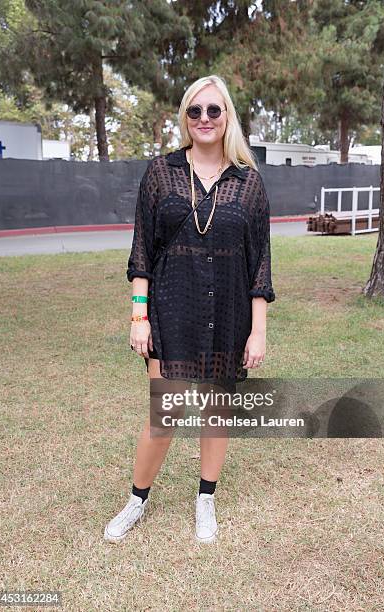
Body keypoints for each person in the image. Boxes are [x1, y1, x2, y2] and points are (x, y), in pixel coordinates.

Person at [104, 74, 276, 545]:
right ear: (185, 116)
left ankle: (206, 498)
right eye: (195, 110)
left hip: (229, 312)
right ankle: (138, 499)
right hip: (170, 310)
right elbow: (142, 251)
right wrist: (139, 315)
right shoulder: (161, 172)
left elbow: (260, 265)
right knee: (167, 413)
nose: (204, 118)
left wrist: (257, 331)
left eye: (213, 111)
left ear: (227, 119)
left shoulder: (249, 185)